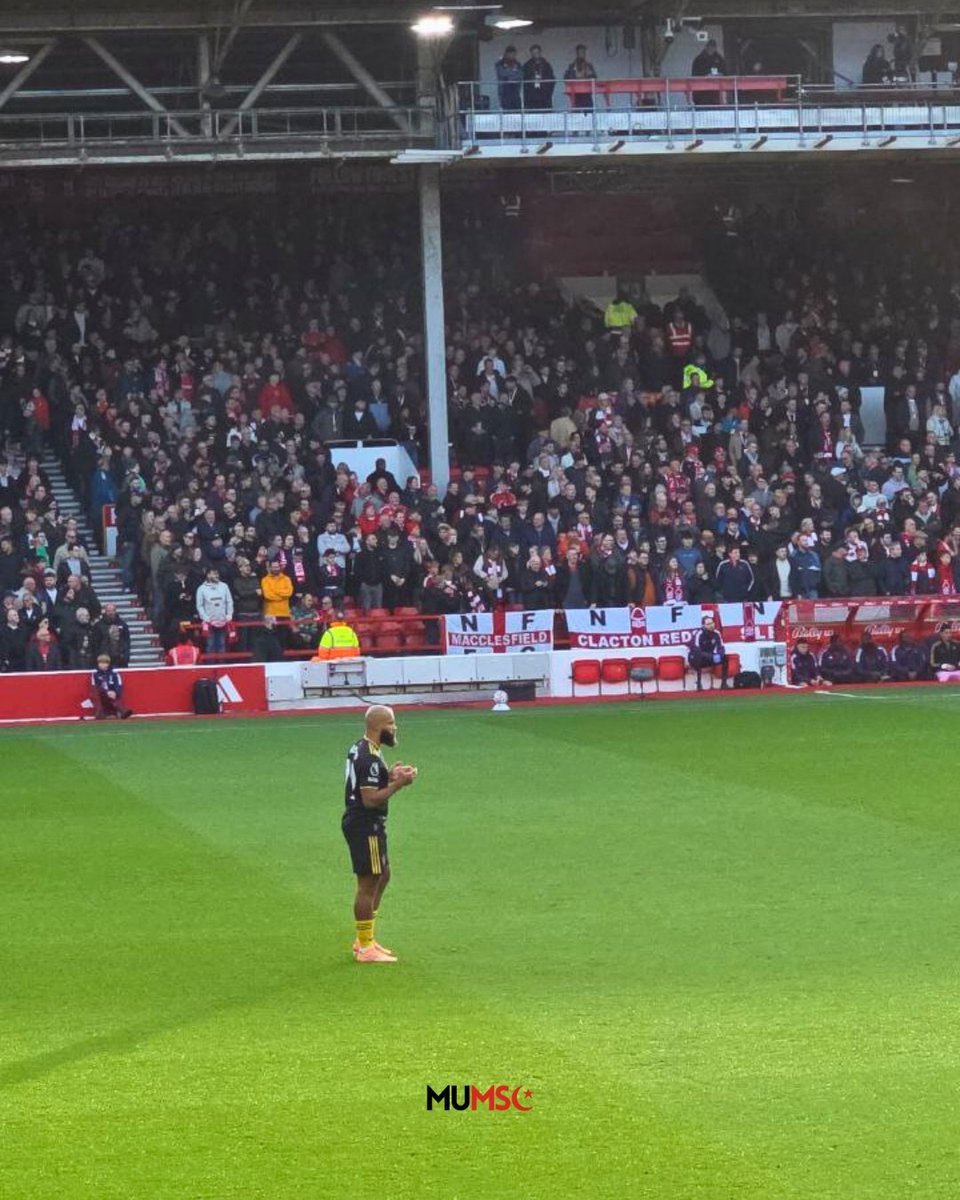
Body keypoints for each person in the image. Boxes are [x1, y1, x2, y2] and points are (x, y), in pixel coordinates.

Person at [342, 706, 417, 964]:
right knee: (369, 883)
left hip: (365, 823)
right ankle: (365, 947)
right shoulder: (370, 758)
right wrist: (398, 784)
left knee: (383, 874)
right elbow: (370, 799)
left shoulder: (362, 747)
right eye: (391, 723)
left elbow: (366, 782)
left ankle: (366, 939)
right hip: (365, 824)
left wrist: (389, 776)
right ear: (378, 727)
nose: (395, 728)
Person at [688, 614, 729, 690]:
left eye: (712, 623)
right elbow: (697, 649)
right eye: (708, 624)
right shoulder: (699, 634)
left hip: (710, 656)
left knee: (725, 658)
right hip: (695, 657)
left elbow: (721, 647)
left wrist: (719, 655)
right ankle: (699, 684)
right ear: (703, 626)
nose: (711, 625)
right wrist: (711, 656)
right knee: (698, 656)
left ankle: (724, 683)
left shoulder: (717, 633)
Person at [89, 652, 133, 719]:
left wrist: (115, 692)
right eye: (100, 663)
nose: (101, 665)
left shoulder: (114, 674)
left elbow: (119, 685)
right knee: (95, 694)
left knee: (116, 696)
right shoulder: (95, 674)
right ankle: (100, 713)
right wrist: (106, 692)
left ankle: (123, 711)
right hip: (101, 695)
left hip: (112, 695)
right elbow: (94, 687)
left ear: (108, 664)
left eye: (104, 663)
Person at [563, 44, 597, 109]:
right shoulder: (572, 66)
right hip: (576, 93)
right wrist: (574, 78)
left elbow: (594, 78)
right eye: (581, 52)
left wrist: (589, 75)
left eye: (584, 52)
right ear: (577, 53)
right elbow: (566, 78)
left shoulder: (589, 66)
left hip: (587, 93)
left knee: (589, 110)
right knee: (577, 111)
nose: (583, 54)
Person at [522, 45, 556, 110]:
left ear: (540, 52)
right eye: (533, 53)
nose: (535, 55)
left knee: (545, 111)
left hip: (544, 93)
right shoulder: (527, 65)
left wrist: (546, 87)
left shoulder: (546, 64)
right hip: (532, 94)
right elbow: (524, 79)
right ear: (531, 54)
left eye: (537, 52)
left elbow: (551, 78)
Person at [495, 45, 523, 111]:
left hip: (515, 89)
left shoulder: (517, 64)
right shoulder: (500, 63)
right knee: (506, 109)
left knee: (517, 108)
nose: (512, 56)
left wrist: (510, 74)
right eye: (510, 54)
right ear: (506, 54)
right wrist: (513, 72)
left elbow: (520, 75)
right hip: (504, 89)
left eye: (514, 54)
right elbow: (502, 73)